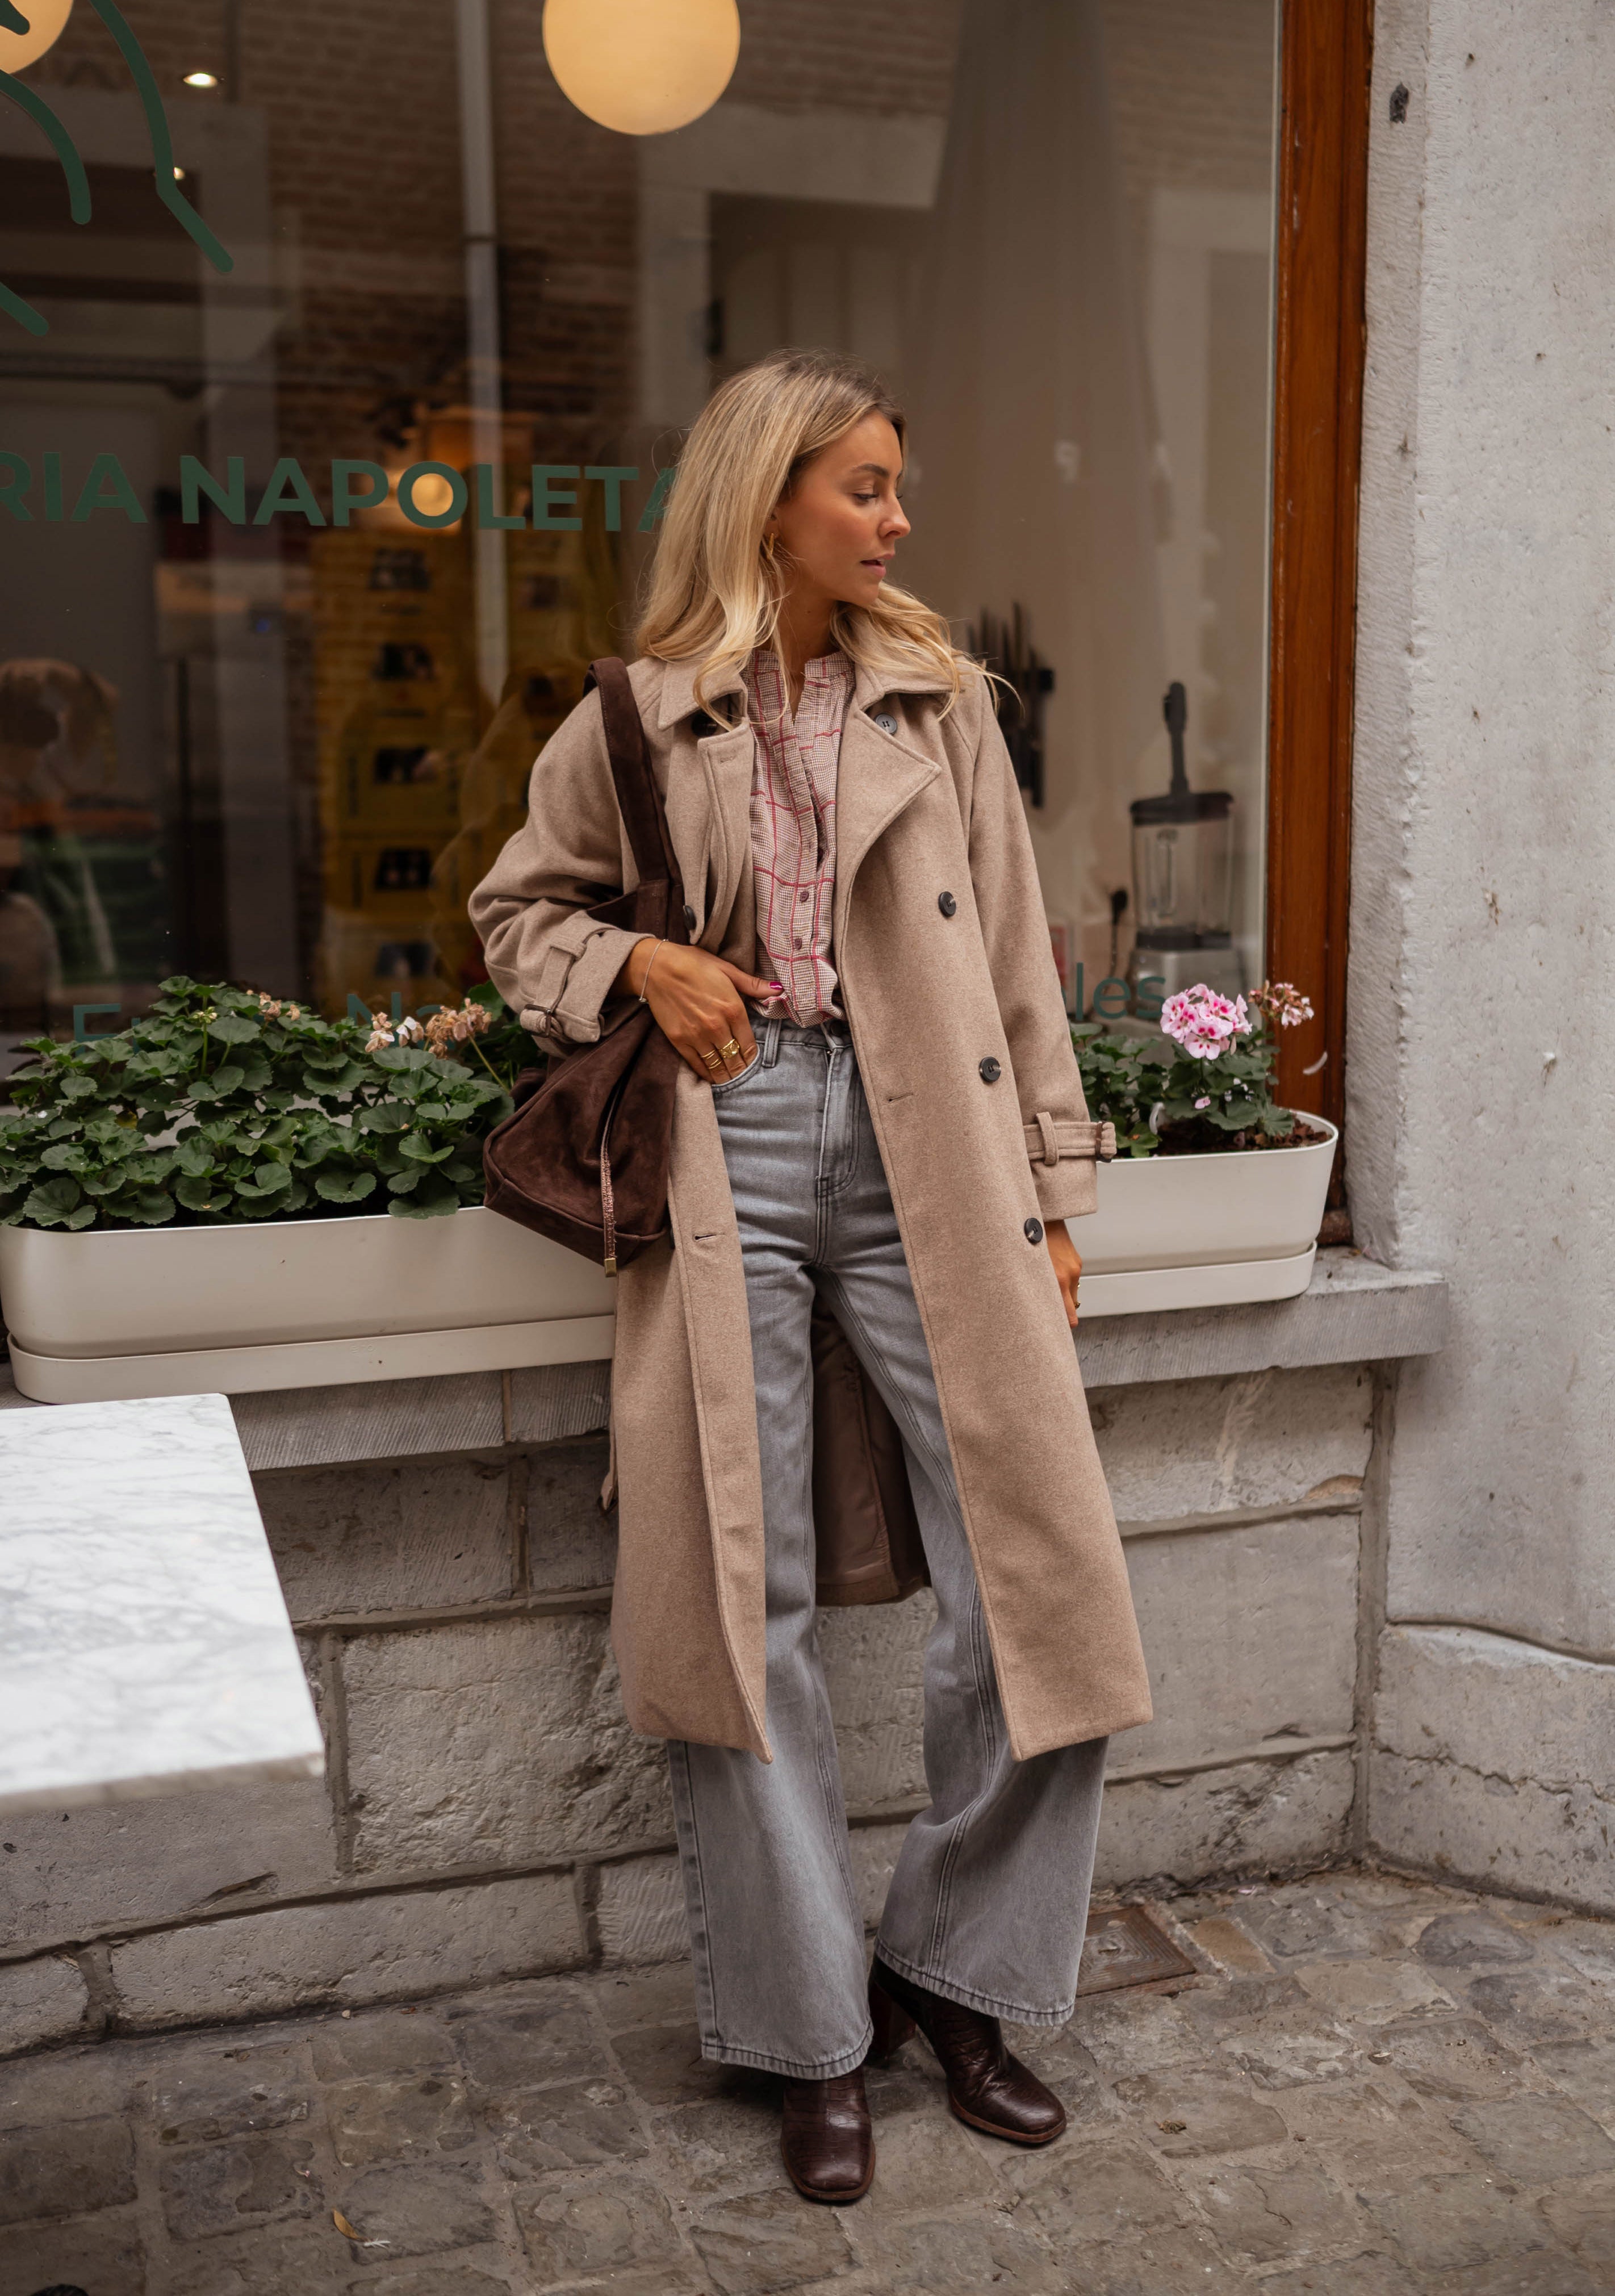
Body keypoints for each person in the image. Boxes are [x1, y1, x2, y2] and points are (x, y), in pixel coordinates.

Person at [471, 348, 1151, 2206]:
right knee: (736, 1591)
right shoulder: (633, 711)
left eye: (894, 486)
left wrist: (1055, 1184)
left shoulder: (941, 705)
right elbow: (517, 913)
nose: (896, 516)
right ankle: (805, 2034)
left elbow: (1017, 954)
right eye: (863, 485)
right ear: (769, 493)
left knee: (1044, 1577)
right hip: (729, 1149)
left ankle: (947, 1970)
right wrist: (638, 971)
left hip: (935, 1139)